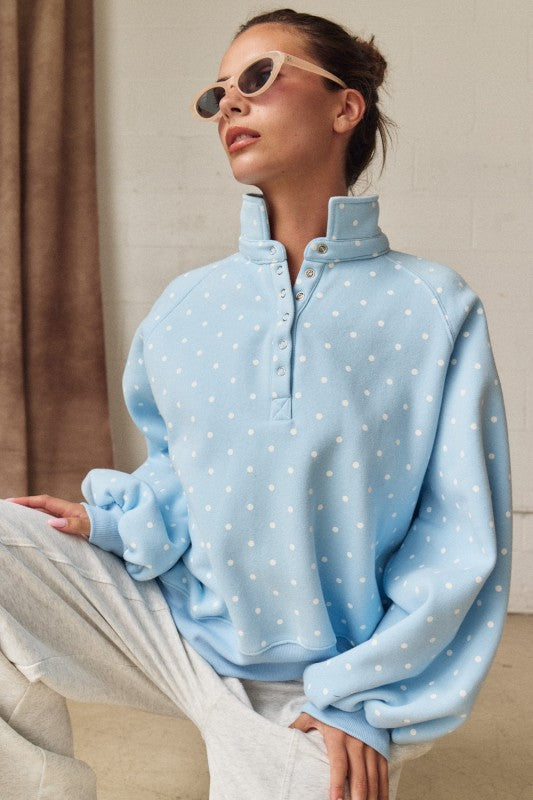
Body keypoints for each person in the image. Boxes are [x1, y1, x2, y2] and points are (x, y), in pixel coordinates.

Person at [0, 8, 512, 800]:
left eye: (257, 77)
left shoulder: (432, 308)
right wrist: (111, 518)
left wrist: (365, 701)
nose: (228, 104)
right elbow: (180, 473)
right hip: (173, 632)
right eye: (215, 95)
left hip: (321, 688)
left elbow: (457, 536)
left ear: (346, 107)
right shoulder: (186, 305)